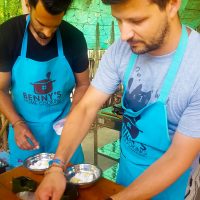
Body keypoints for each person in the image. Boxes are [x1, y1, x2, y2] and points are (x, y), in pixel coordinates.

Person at [36, 0, 200, 199]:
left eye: (136, 21)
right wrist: (56, 166)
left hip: (172, 189)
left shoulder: (195, 66)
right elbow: (87, 107)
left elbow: (178, 157)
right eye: (118, 20)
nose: (124, 34)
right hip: (125, 181)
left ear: (172, 4)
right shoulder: (121, 50)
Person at [0, 0, 90, 167]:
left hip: (63, 132)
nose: (47, 33)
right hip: (24, 131)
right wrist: (16, 123)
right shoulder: (8, 35)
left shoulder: (74, 38)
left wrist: (73, 118)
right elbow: (1, 89)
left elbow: (84, 85)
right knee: (25, 189)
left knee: (70, 186)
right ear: (28, 4)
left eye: (55, 26)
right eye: (41, 24)